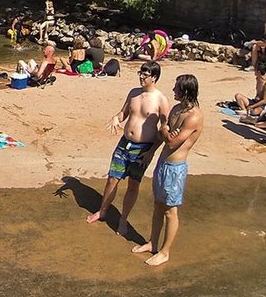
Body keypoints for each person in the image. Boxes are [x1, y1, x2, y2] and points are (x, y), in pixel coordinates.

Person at [86, 60, 169, 236]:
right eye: (140, 73)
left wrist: (152, 152)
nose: (141, 76)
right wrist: (116, 118)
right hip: (124, 143)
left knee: (133, 185)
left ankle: (123, 220)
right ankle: (102, 211)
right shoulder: (133, 93)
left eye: (145, 75)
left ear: (154, 77)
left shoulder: (161, 100)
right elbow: (123, 113)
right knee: (112, 178)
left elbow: (164, 130)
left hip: (143, 148)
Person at [131, 74, 202, 266]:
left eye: (177, 88)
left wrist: (165, 130)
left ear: (185, 91)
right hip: (162, 164)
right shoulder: (176, 109)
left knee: (170, 211)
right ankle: (153, 243)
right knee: (157, 206)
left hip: (175, 169)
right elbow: (165, 135)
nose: (173, 91)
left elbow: (171, 142)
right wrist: (152, 151)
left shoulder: (194, 116)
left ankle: (165, 251)